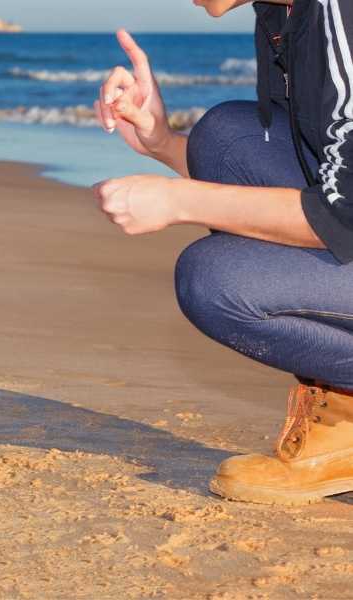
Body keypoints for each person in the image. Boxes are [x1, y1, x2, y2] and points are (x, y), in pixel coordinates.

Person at [92, 0, 353, 506]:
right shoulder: (283, 13)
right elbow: (316, 177)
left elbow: (345, 215)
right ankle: (345, 422)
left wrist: (178, 200)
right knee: (223, 139)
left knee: (215, 280)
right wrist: (161, 142)